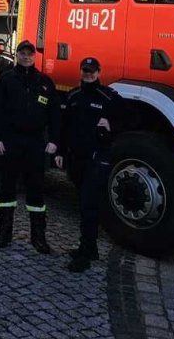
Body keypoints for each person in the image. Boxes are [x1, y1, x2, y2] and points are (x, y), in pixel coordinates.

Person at [0, 40, 60, 253]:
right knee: (7, 189)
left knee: (36, 191)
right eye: (22, 53)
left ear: (34, 57)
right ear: (17, 55)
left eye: (30, 54)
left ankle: (38, 237)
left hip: (35, 143)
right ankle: (4, 233)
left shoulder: (45, 82)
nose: (26, 57)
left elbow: (55, 115)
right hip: (11, 141)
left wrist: (54, 141)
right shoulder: (6, 80)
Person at [54, 56, 123, 272]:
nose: (88, 74)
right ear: (81, 71)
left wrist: (111, 124)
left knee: (88, 206)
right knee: (83, 203)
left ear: (99, 72)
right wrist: (61, 152)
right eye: (85, 70)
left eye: (92, 70)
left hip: (96, 158)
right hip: (76, 159)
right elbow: (64, 128)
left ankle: (84, 254)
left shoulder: (108, 97)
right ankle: (91, 248)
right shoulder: (74, 96)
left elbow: (131, 119)